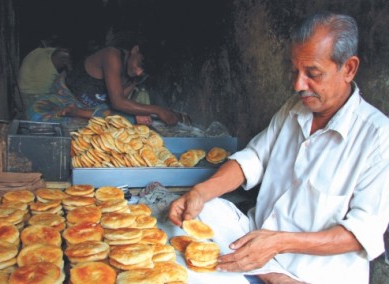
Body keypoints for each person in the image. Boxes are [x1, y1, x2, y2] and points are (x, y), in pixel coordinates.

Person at [169, 11, 389, 284]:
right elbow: (253, 158)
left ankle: (276, 274)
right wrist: (200, 193)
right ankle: (267, 271)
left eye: (313, 74)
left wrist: (278, 243)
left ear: (349, 68)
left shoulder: (378, 137)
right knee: (204, 210)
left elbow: (362, 232)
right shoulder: (294, 109)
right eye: (294, 71)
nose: (298, 85)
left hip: (312, 271)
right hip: (258, 238)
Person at [27, 43, 179, 126]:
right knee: (34, 115)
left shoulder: (137, 76)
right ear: (135, 50)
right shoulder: (111, 55)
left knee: (122, 122)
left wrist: (135, 112)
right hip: (65, 98)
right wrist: (157, 110)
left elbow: (113, 106)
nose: (139, 72)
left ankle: (78, 114)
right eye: (139, 64)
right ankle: (75, 114)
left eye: (144, 71)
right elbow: (118, 102)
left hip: (91, 111)